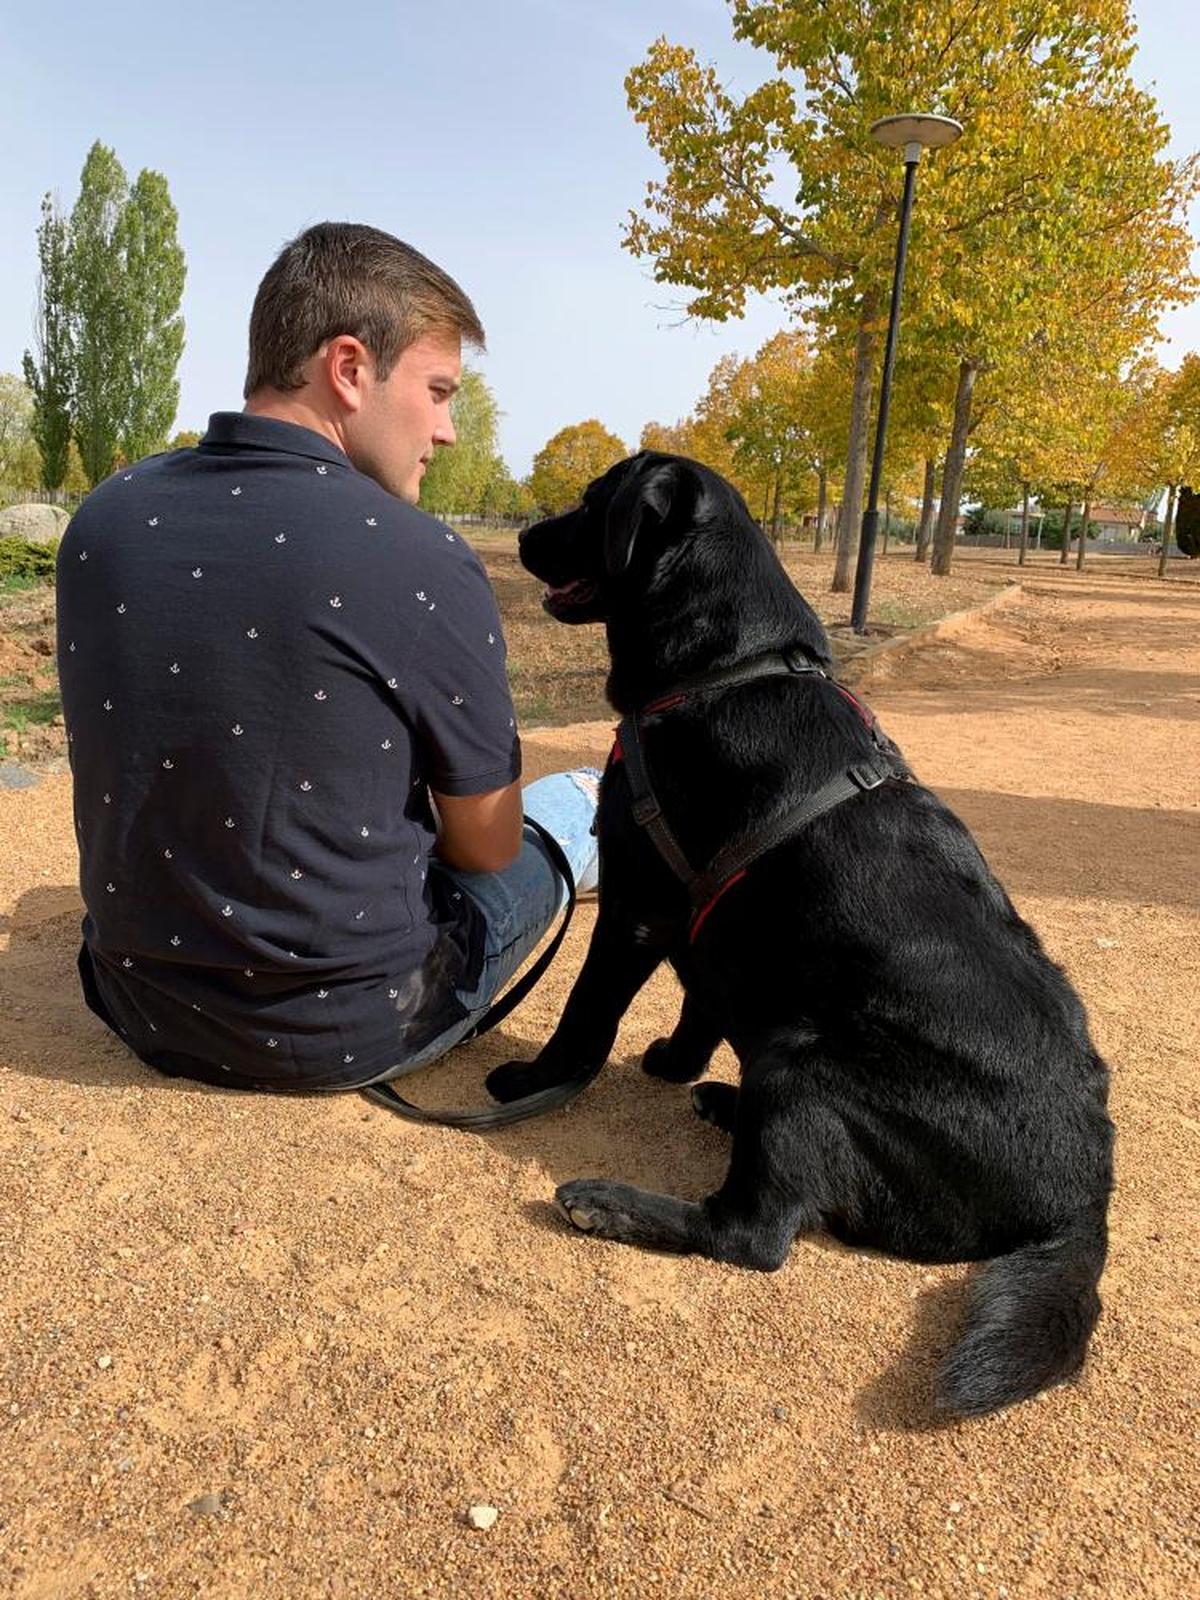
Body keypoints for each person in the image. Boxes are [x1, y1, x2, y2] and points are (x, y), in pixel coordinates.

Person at [56, 221, 598, 1095]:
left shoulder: (104, 521)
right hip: (347, 1026)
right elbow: (487, 850)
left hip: (136, 1001)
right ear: (349, 369)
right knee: (567, 811)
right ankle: (588, 813)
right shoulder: (419, 557)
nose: (449, 430)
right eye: (439, 390)